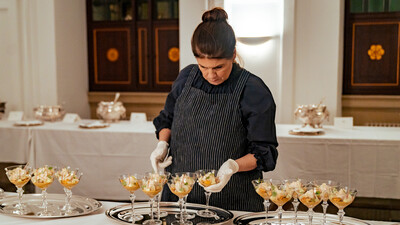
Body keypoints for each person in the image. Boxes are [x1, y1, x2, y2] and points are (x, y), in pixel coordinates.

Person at [151, 7, 278, 212]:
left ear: (234, 54)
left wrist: (232, 166)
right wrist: (162, 144)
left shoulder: (254, 91)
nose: (211, 75)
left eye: (218, 67)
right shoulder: (186, 78)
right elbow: (168, 119)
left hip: (234, 199)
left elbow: (264, 152)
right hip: (180, 198)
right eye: (203, 67)